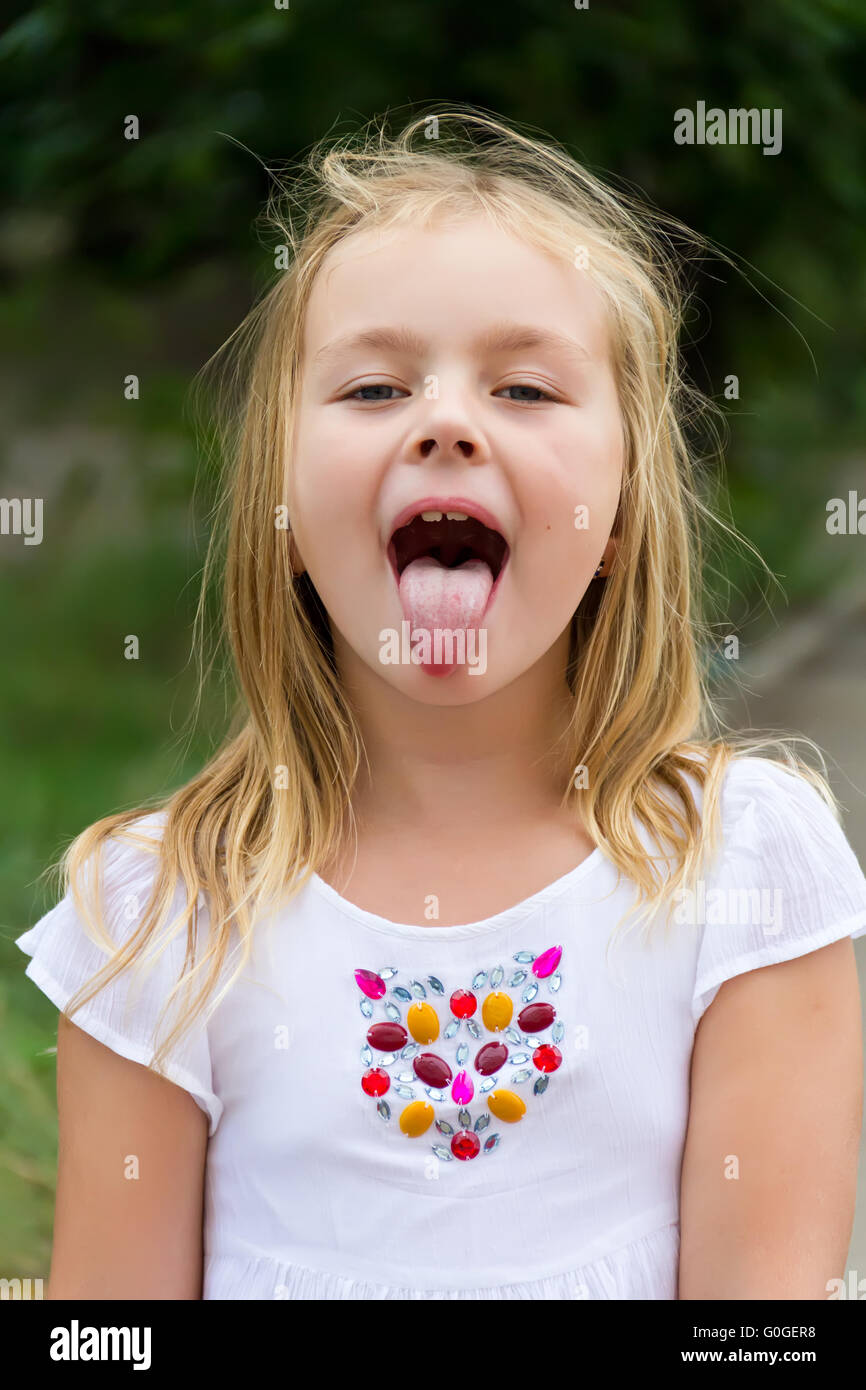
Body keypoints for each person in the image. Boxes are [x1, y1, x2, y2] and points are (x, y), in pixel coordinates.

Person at [16, 108, 866, 1300]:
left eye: (523, 387)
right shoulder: (162, 916)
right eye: (372, 387)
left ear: (618, 518)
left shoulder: (742, 874)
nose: (446, 423)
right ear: (285, 512)